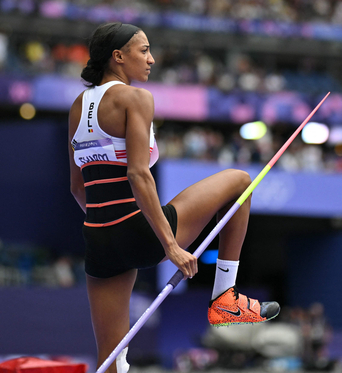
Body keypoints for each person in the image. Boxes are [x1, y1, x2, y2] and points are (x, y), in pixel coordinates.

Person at [68, 22, 280, 373]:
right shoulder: (136, 98)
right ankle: (225, 298)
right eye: (144, 50)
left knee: (111, 361)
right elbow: (138, 174)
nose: (151, 59)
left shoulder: (78, 106)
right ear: (118, 57)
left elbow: (78, 187)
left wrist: (108, 228)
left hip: (98, 240)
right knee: (241, 181)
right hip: (141, 231)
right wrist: (170, 245)